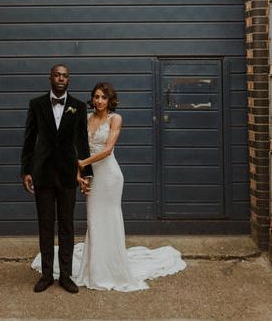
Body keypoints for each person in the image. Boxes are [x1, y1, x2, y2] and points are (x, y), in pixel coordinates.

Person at [33, 82, 186, 291]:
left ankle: (112, 268)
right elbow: (78, 147)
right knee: (94, 220)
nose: (99, 101)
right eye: (96, 97)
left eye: (104, 97)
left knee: (110, 218)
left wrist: (82, 164)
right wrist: (80, 175)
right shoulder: (85, 117)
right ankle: (94, 268)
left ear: (110, 100)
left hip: (109, 176)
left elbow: (107, 150)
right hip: (92, 176)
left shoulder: (116, 119)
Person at [21, 64, 92, 293]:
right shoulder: (36, 104)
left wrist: (86, 173)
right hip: (42, 174)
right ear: (50, 77)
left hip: (67, 174)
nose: (61, 78)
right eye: (57, 75)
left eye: (65, 76)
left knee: (67, 226)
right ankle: (46, 275)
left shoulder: (78, 107)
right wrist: (26, 170)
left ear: (68, 80)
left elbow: (82, 141)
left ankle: (66, 276)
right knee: (45, 225)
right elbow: (29, 140)